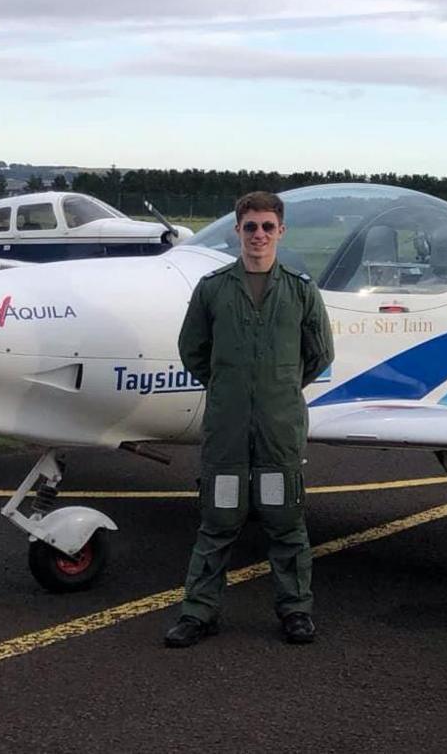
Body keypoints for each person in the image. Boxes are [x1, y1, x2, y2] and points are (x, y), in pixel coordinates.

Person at [166, 191, 334, 647]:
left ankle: (296, 610)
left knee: (285, 521)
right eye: (249, 227)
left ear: (281, 231)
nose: (258, 235)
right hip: (227, 428)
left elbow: (319, 355)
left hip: (279, 429)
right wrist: (230, 389)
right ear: (237, 231)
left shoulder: (301, 291)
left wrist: (277, 389)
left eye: (266, 226)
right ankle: (199, 613)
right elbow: (193, 351)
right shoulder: (213, 289)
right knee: (218, 520)